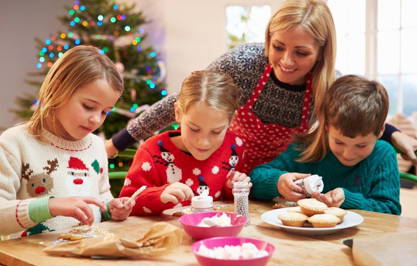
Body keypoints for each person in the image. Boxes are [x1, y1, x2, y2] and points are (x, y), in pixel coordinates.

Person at [106, 0, 417, 171]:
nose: (286, 61)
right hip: (225, 169)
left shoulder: (327, 82)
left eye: (302, 53)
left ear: (322, 52)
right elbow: (185, 100)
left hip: (282, 177)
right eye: (278, 46)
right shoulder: (244, 64)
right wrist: (116, 142)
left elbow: (356, 112)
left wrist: (395, 134)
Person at [0, 45, 134, 238]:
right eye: (88, 107)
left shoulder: (96, 146)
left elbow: (101, 198)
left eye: (105, 112)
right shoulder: (14, 143)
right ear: (57, 89)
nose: (96, 119)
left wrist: (111, 208)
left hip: (82, 258)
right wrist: (49, 206)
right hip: (30, 263)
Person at [250, 75, 401, 215]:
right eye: (339, 142)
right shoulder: (306, 148)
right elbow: (255, 179)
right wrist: (278, 182)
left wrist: (348, 200)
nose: (348, 154)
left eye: (361, 145)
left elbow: (391, 210)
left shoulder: (383, 154)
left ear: (381, 131)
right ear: (327, 127)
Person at [119, 70, 250, 215]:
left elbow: (228, 202)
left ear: (231, 121)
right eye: (194, 129)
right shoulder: (152, 152)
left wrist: (233, 188)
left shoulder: (234, 147)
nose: (203, 142)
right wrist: (158, 195)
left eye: (216, 131)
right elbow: (125, 204)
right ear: (178, 113)